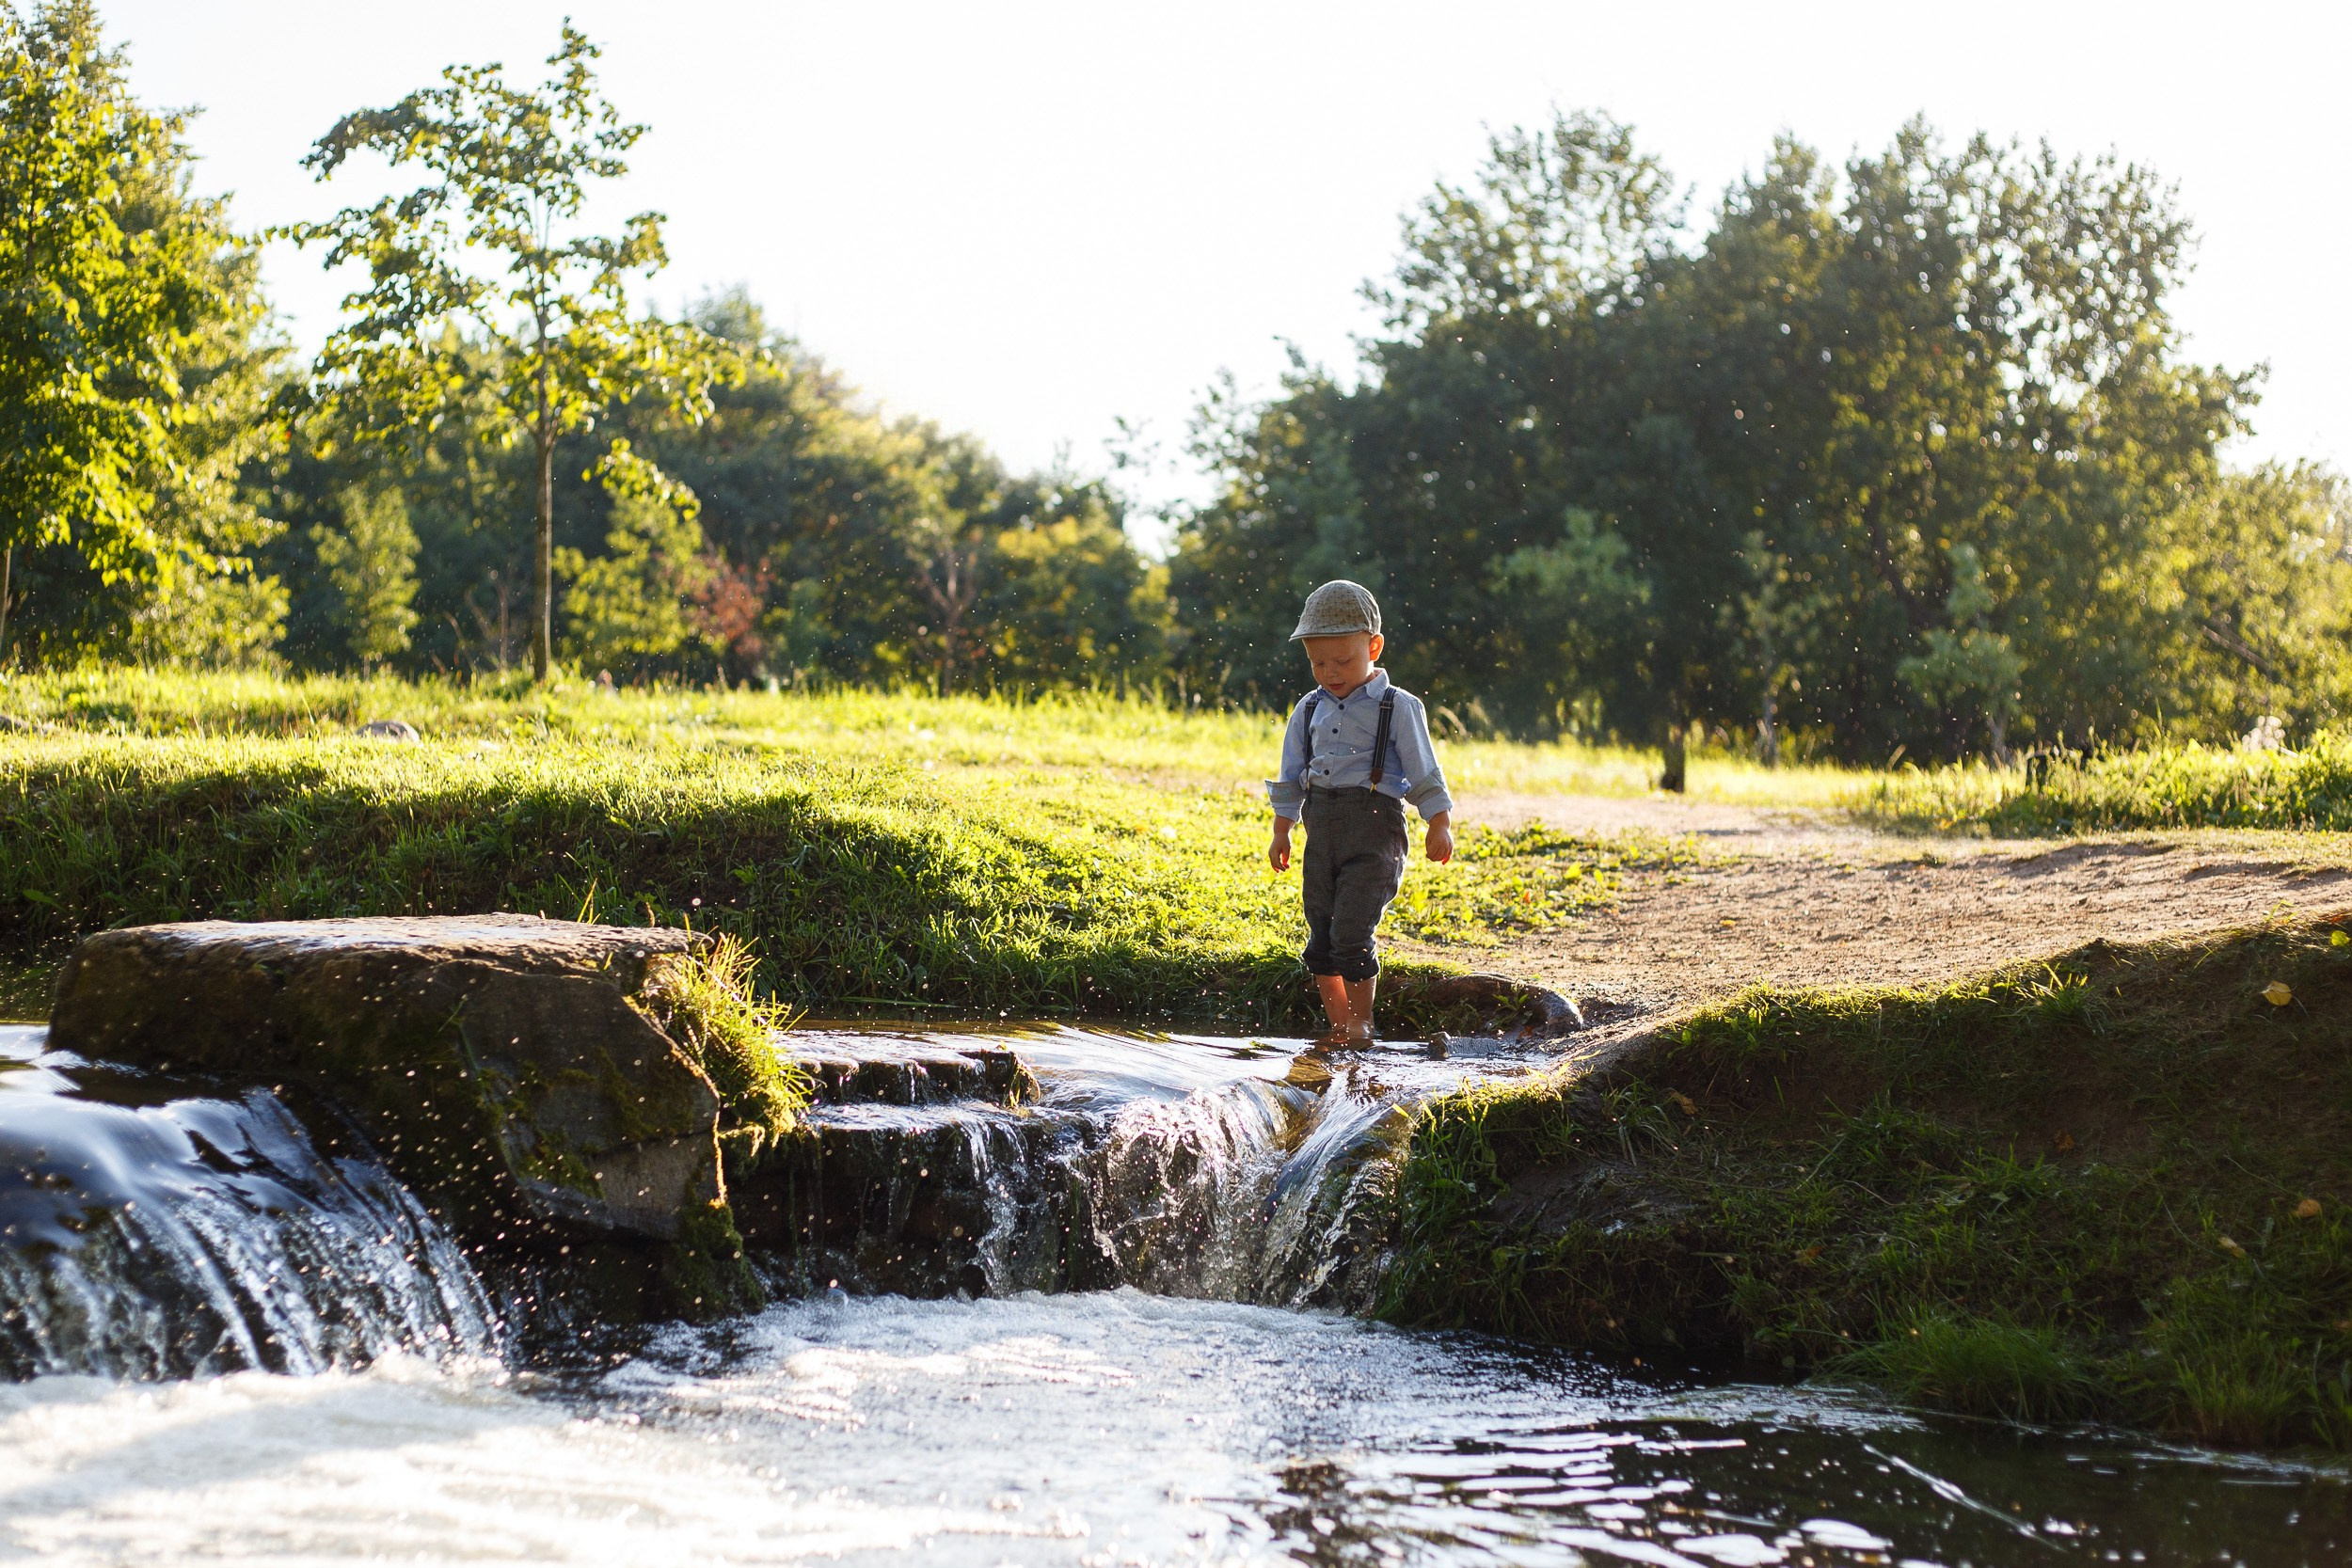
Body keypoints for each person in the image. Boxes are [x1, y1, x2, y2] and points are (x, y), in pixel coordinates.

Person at [1265, 580, 1454, 1046]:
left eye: (1342, 661)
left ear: (1373, 646)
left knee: (1351, 931)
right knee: (1321, 938)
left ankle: (1362, 1022)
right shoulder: (1308, 708)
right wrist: (1281, 831)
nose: (1329, 672)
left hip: (1375, 833)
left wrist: (1439, 821)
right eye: (1317, 663)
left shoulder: (1398, 706)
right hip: (1321, 832)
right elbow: (1291, 777)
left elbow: (1423, 770)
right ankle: (1338, 1026)